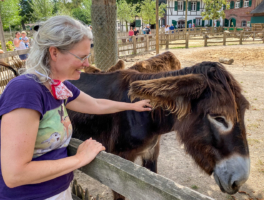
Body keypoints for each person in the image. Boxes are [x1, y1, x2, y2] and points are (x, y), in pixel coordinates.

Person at [0, 15, 152, 200]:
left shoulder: (57, 87)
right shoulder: (26, 90)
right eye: (82, 57)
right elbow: (15, 174)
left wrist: (132, 106)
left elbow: (96, 103)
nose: (87, 64)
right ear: (54, 53)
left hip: (59, 191)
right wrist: (79, 159)